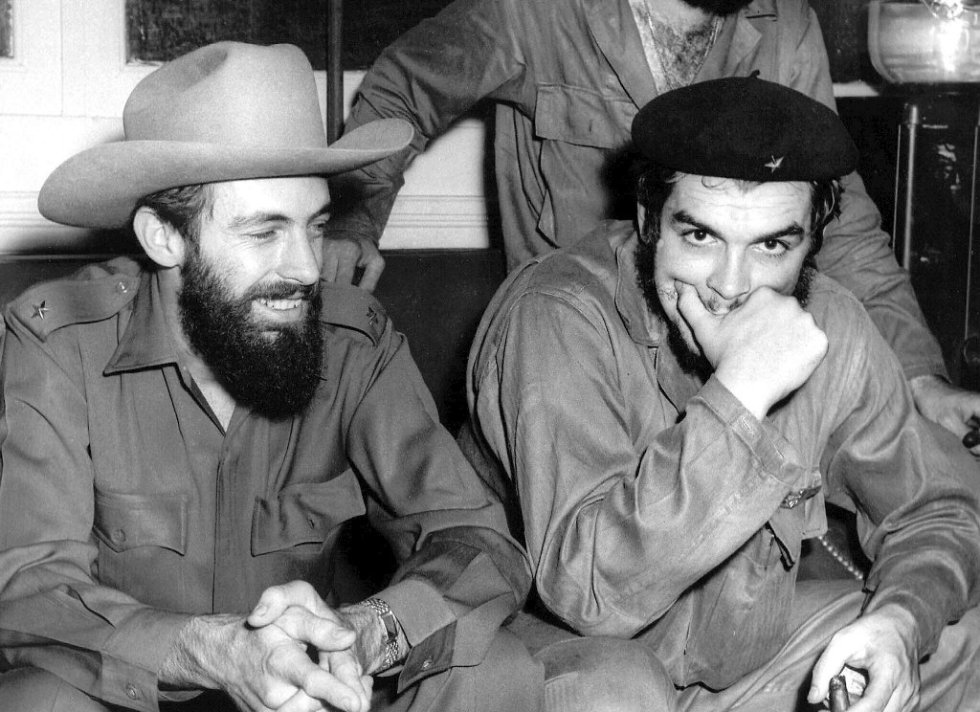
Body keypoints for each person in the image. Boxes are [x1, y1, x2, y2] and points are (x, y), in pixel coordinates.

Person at [0, 42, 541, 712]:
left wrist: (367, 633)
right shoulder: (60, 347)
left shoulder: (352, 345)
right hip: (137, 698)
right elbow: (28, 588)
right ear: (164, 237)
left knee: (495, 667)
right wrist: (213, 651)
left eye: (315, 227)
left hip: (315, 696)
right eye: (265, 233)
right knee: (40, 700)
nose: (309, 269)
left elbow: (480, 542)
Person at [467, 76, 980, 711]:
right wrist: (743, 392)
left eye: (771, 245)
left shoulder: (830, 323)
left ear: (811, 244)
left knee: (956, 641)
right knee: (620, 691)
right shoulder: (557, 313)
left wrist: (902, 620)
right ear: (649, 220)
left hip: (727, 658)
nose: (730, 287)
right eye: (701, 237)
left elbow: (937, 512)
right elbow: (590, 592)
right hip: (552, 657)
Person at [322, 0, 980, 453]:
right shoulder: (535, 12)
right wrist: (354, 218)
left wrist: (920, 379)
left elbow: (842, 221)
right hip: (567, 389)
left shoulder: (786, 24)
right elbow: (405, 88)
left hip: (720, 390)